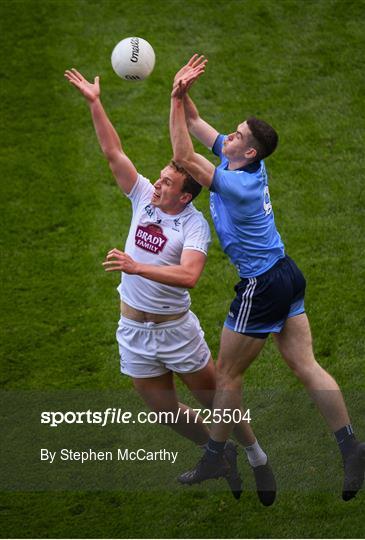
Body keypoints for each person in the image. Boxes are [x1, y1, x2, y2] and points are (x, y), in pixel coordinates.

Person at [64, 67, 277, 505]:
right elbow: (113, 153)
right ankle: (216, 456)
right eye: (159, 179)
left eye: (166, 182)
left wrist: (137, 269)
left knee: (217, 399)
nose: (156, 184)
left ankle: (256, 455)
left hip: (175, 330)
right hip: (134, 332)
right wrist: (94, 102)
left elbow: (190, 277)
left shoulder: (193, 226)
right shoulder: (143, 196)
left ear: (185, 195)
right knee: (164, 412)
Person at [169, 55, 365, 501]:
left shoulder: (235, 183)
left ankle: (215, 456)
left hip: (261, 283)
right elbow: (195, 123)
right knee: (304, 364)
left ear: (249, 151)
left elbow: (183, 155)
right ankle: (351, 446)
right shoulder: (243, 162)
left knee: (228, 377)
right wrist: (183, 93)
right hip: (286, 274)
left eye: (235, 135)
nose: (228, 136)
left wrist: (172, 99)